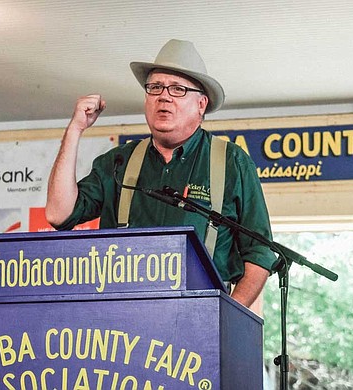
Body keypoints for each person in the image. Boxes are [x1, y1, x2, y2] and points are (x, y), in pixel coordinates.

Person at [45, 39, 277, 308]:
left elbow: (259, 252)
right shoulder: (119, 161)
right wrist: (75, 129)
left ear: (201, 104)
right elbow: (58, 214)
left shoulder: (232, 163)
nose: (163, 96)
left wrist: (225, 315)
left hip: (200, 314)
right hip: (121, 315)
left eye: (177, 89)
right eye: (155, 87)